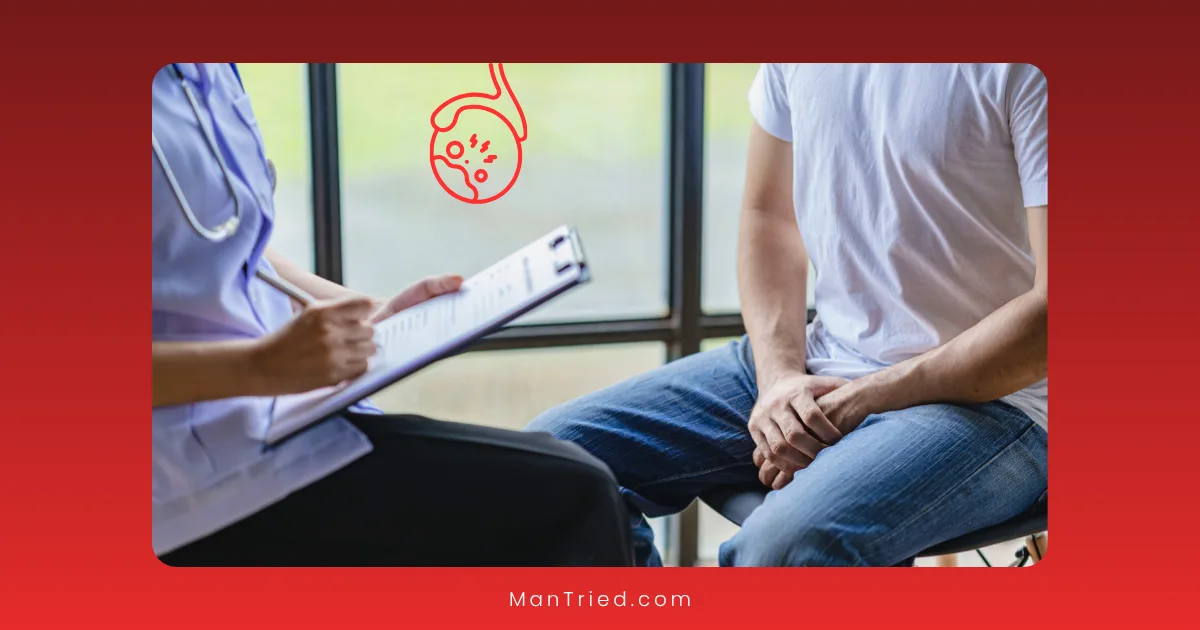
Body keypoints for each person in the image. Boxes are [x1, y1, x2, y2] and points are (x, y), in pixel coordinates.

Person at [527, 63, 1048, 567]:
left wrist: (863, 399)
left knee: (782, 551)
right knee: (553, 466)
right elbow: (769, 219)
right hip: (824, 357)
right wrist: (779, 379)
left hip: (997, 401)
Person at [152, 63, 632, 566]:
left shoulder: (206, 68)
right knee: (578, 496)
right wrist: (261, 366)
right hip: (189, 489)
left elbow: (232, 248)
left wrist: (370, 312)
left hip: (279, 425)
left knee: (575, 489)